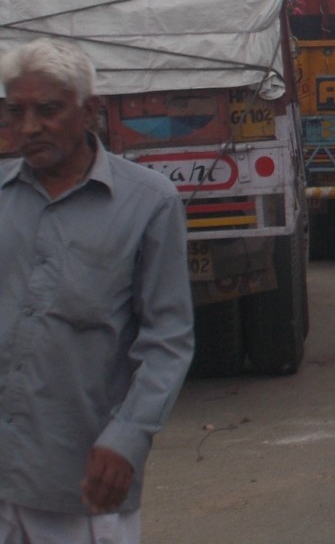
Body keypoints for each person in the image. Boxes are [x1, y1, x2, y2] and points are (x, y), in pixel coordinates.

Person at [0, 39, 195, 542]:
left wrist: (129, 435)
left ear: (90, 112)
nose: (28, 127)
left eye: (47, 110)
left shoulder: (149, 204)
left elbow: (168, 339)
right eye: (14, 111)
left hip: (83, 486)